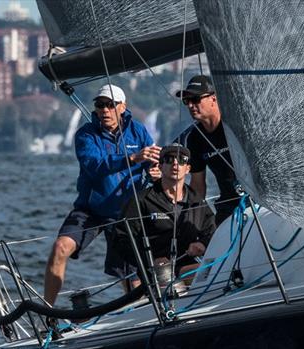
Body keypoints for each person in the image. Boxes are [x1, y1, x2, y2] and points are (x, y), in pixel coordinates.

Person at [43, 84, 160, 306]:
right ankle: (47, 312)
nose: (105, 110)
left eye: (110, 105)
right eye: (100, 105)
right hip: (91, 210)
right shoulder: (86, 135)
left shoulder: (139, 131)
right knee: (60, 248)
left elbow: (152, 166)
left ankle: (138, 319)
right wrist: (132, 158)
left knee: (131, 280)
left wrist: (154, 173)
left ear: (123, 107)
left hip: (125, 213)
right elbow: (94, 165)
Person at [116, 143, 216, 285]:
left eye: (182, 160)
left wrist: (202, 243)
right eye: (169, 159)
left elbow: (212, 230)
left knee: (216, 271)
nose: (175, 163)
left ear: (187, 169)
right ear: (161, 167)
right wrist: (151, 260)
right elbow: (121, 238)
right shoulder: (141, 200)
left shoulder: (197, 201)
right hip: (155, 272)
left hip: (186, 266)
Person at [176, 75, 241, 225]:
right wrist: (193, 221)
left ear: (214, 98)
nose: (191, 105)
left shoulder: (235, 125)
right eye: (187, 101)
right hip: (228, 205)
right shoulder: (195, 138)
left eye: (196, 99)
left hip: (256, 201)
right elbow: (198, 183)